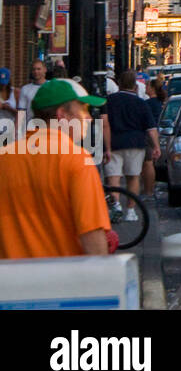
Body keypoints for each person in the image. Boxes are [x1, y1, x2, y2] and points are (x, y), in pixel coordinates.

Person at [0, 79, 111, 258]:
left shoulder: (4, 157)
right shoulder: (77, 160)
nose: (89, 118)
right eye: (83, 109)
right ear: (62, 115)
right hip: (63, 280)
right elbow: (92, 235)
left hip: (8, 282)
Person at [104, 72, 159, 223]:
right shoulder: (141, 103)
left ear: (119, 84)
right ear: (135, 86)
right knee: (133, 177)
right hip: (135, 144)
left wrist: (105, 146)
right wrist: (156, 146)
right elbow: (151, 128)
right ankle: (130, 210)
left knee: (113, 178)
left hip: (113, 143)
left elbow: (104, 124)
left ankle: (116, 207)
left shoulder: (109, 101)